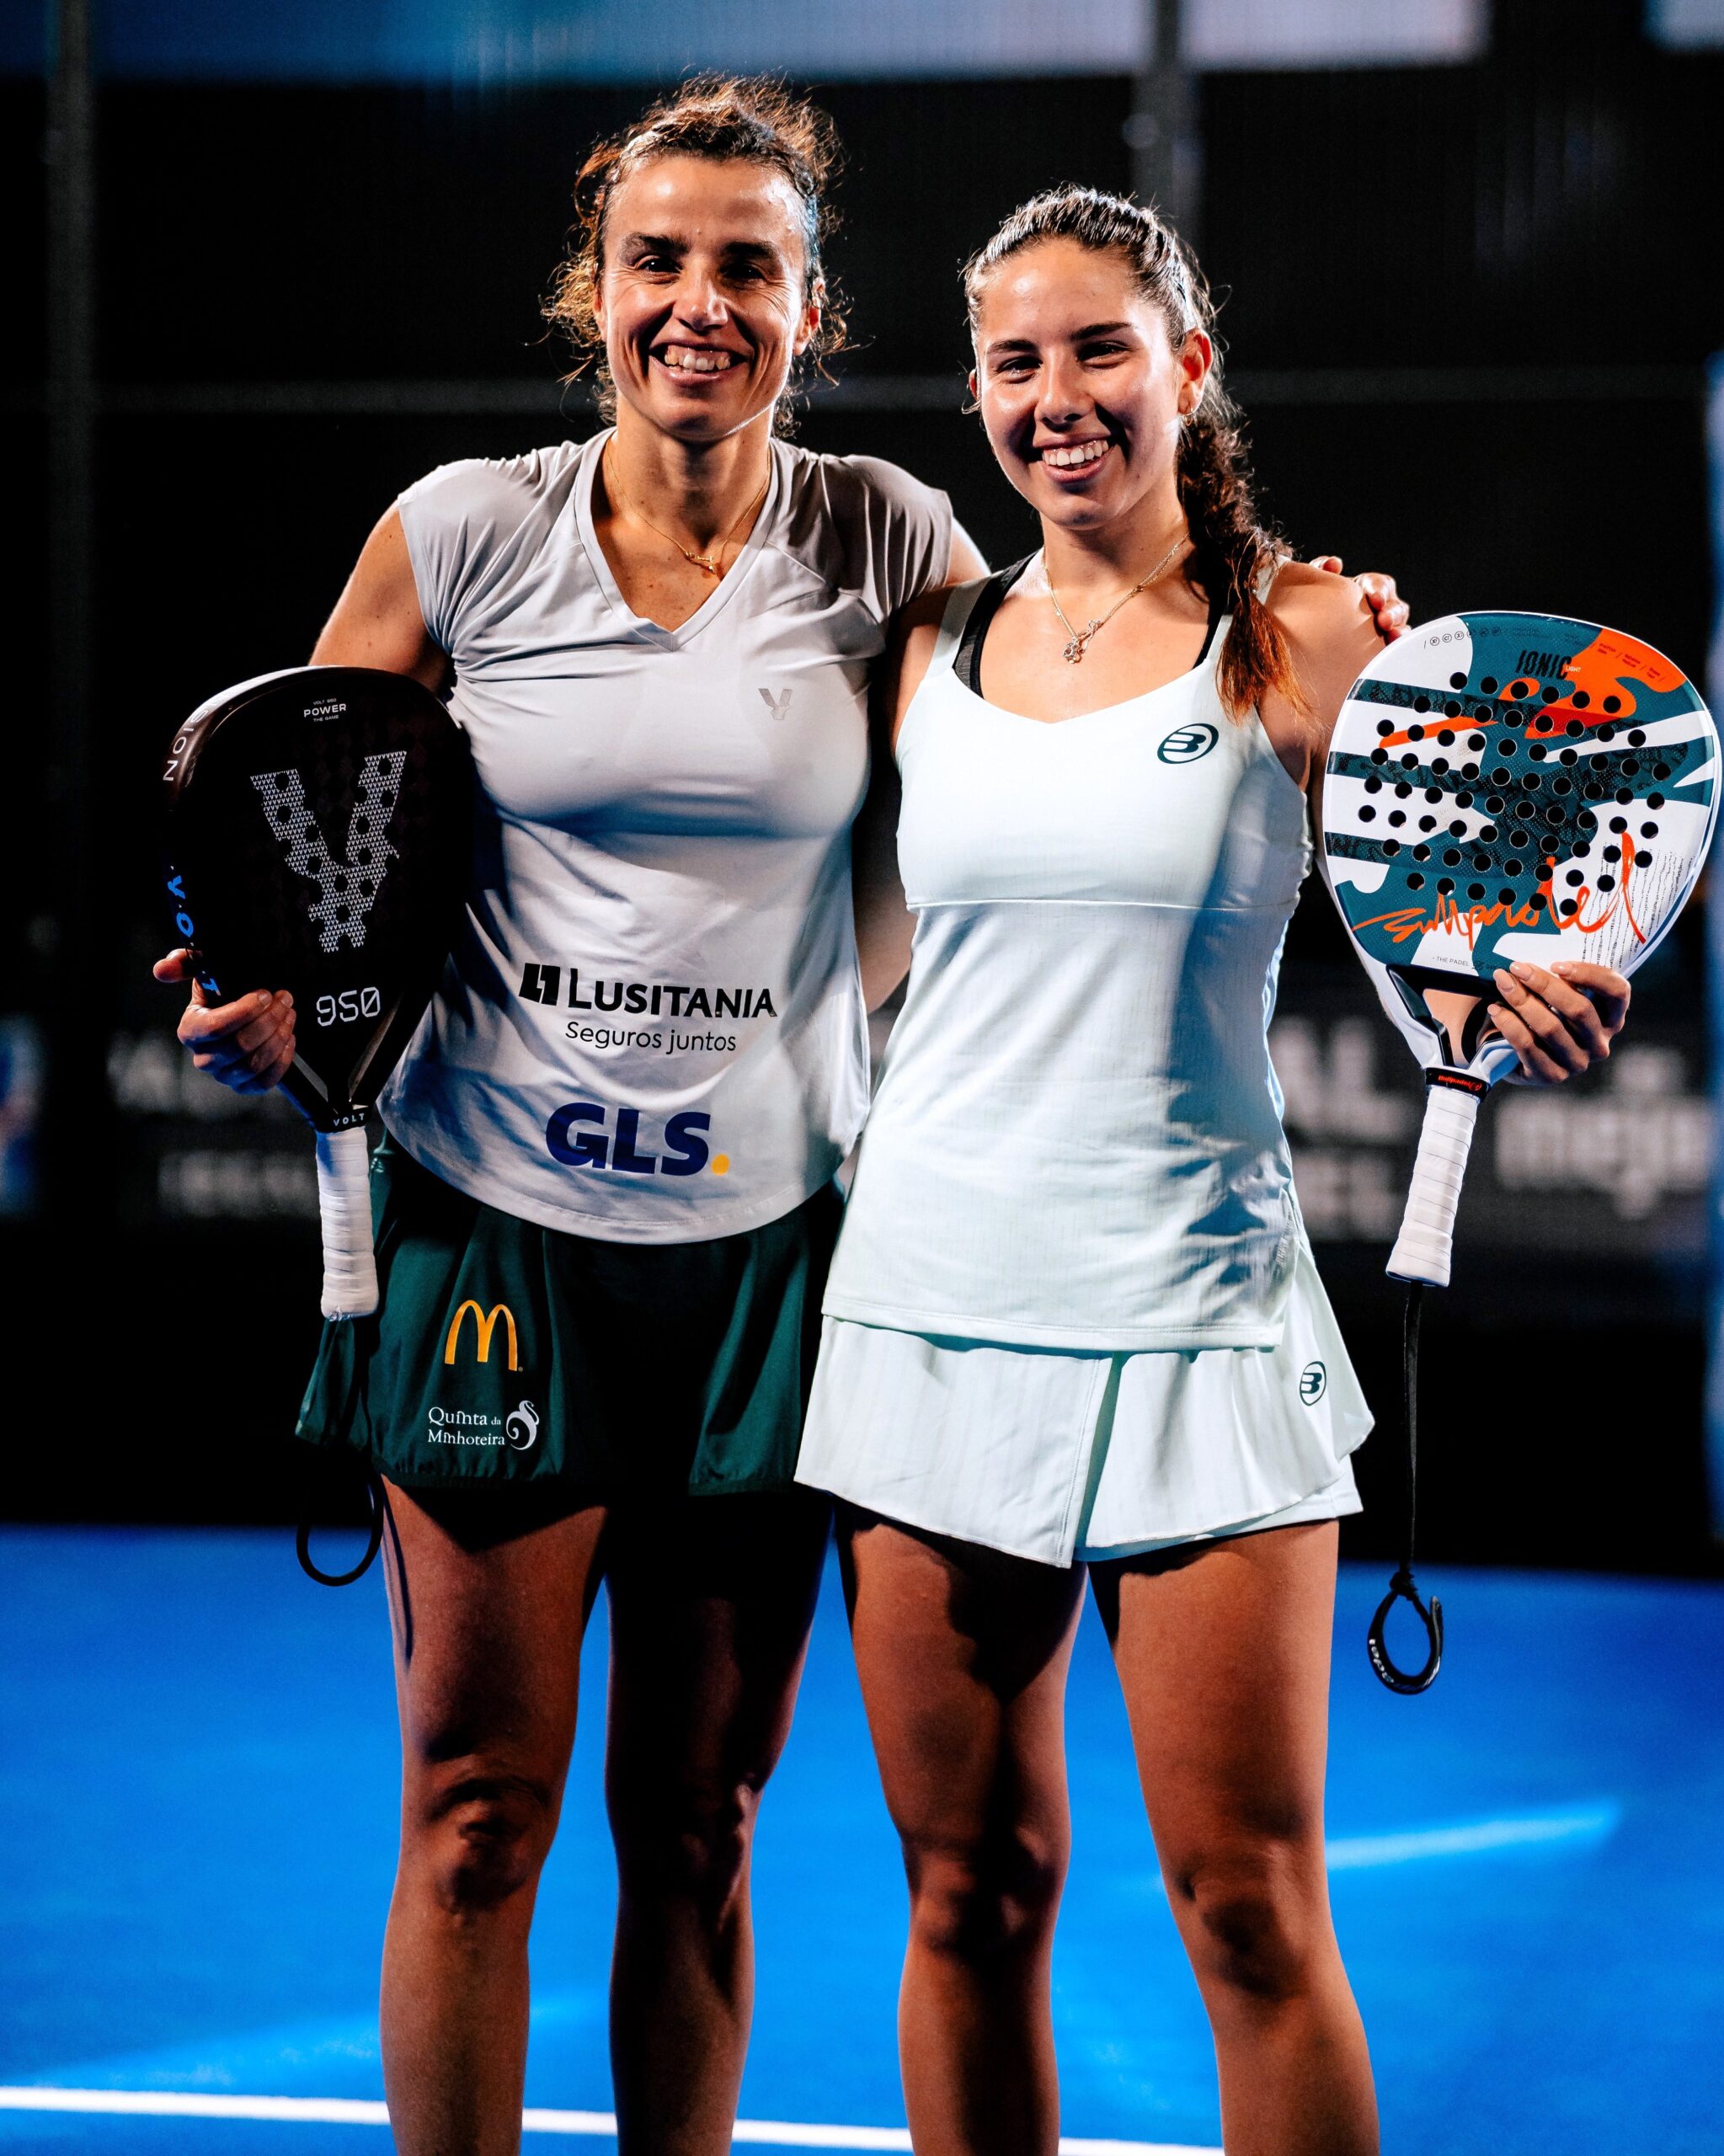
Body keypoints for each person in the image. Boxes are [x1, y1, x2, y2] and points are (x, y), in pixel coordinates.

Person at [152, 83, 1406, 2156]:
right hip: (502, 1230)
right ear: (595, 286)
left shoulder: (898, 550)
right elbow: (307, 847)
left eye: (749, 265)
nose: (698, 301)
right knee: (474, 1815)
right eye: (656, 258)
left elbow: (1115, 730)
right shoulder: (460, 531)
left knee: (702, 1819)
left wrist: (1327, 649)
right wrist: (270, 1007)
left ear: (810, 310)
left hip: (776, 1256)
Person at [796, 186, 1628, 2156]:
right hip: (923, 1311)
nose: (1056, 397)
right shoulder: (920, 647)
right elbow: (843, 959)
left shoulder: (1306, 630)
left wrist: (1517, 984)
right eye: (1013, 362)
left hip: (1198, 1321)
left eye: (1100, 349)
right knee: (965, 1892)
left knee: (1249, 1908)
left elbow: (1458, 911)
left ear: (1186, 364)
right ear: (977, 394)